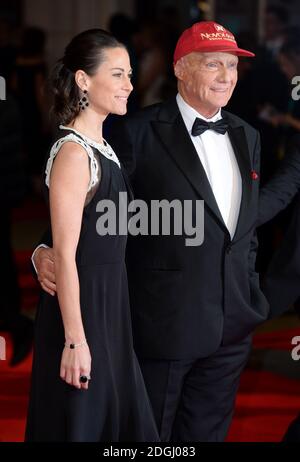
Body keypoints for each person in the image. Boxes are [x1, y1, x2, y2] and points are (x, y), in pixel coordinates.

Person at [33, 22, 270, 442]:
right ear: (181, 69)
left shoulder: (247, 136)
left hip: (226, 327)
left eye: (232, 66)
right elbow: (77, 213)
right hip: (151, 322)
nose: (226, 76)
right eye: (213, 64)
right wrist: (42, 250)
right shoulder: (131, 134)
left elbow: (241, 226)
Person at [25, 29, 158, 442]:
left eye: (130, 75)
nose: (130, 86)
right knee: (84, 423)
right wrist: (74, 341)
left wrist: (37, 250)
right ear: (84, 80)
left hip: (109, 306)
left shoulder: (102, 146)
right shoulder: (73, 152)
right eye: (118, 75)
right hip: (82, 314)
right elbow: (66, 255)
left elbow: (90, 232)